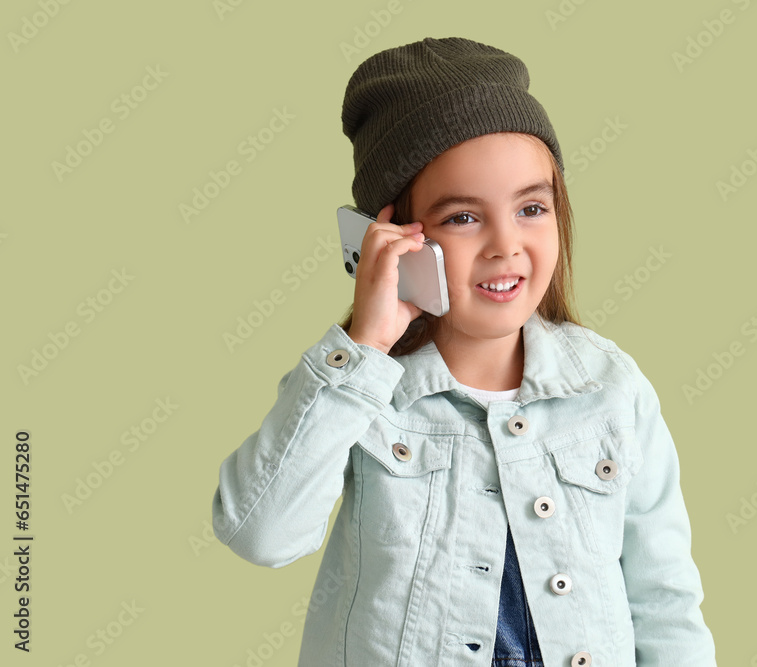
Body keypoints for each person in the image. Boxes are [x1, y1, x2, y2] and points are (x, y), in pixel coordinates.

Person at [211, 36, 716, 666]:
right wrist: (365, 345)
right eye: (463, 218)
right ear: (390, 238)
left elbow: (665, 602)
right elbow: (261, 533)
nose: (507, 245)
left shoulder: (611, 388)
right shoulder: (360, 392)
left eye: (532, 207)